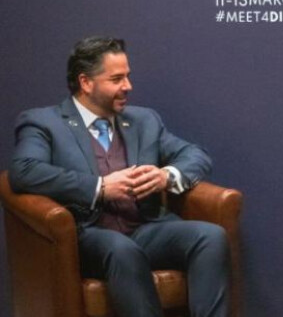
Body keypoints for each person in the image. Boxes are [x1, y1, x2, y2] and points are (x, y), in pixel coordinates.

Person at [9, 36, 230, 317]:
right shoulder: (44, 122)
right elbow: (24, 170)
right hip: (89, 235)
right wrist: (100, 187)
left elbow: (195, 154)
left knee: (211, 236)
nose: (128, 86)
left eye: (127, 76)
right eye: (116, 79)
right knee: (121, 249)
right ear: (86, 82)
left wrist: (167, 175)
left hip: (145, 228)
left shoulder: (144, 120)